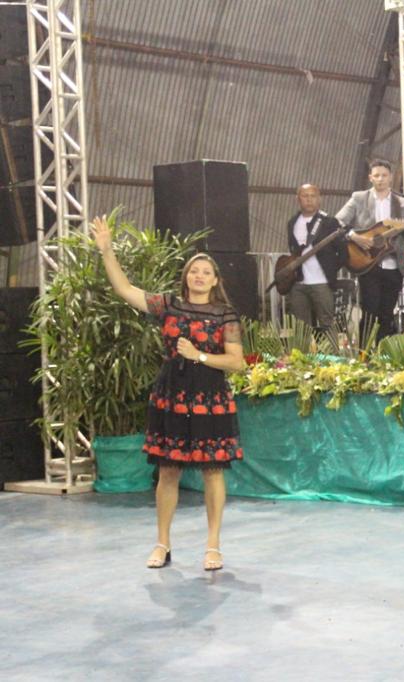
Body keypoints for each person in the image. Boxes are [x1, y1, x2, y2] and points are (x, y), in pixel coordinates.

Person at [92, 215, 247, 572]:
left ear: (216, 280)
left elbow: (237, 362)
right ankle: (162, 543)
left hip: (210, 399)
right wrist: (107, 250)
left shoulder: (225, 315)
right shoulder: (168, 305)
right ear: (186, 276)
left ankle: (213, 545)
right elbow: (125, 289)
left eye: (206, 272)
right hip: (171, 396)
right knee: (168, 471)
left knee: (213, 471)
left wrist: (199, 356)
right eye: (194, 271)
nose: (199, 276)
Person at [335, 159, 404, 342]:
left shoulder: (402, 203)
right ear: (370, 177)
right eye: (377, 175)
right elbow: (338, 221)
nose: (380, 179)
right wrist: (354, 236)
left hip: (394, 266)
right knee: (369, 311)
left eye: (384, 175)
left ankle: (383, 351)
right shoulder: (359, 198)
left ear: (391, 177)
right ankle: (365, 352)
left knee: (387, 313)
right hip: (368, 264)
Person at [285, 184, 346, 337]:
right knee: (300, 327)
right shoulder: (292, 222)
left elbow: (343, 252)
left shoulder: (329, 222)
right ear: (298, 199)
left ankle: (332, 353)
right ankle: (302, 353)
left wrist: (330, 270)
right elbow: (292, 250)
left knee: (327, 324)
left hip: (322, 283)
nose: (309, 199)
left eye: (313, 196)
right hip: (298, 283)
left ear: (319, 199)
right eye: (305, 196)